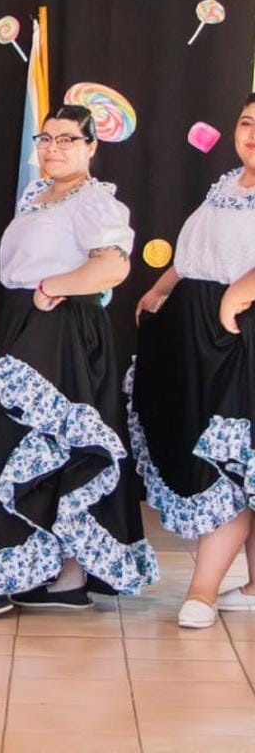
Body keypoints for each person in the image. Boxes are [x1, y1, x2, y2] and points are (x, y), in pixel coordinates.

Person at [0, 104, 157, 622]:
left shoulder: (95, 200)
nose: (53, 148)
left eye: (67, 139)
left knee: (13, 442)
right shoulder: (38, 195)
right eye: (46, 138)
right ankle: (66, 580)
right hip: (28, 318)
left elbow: (114, 264)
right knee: (41, 447)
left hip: (58, 326)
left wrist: (56, 285)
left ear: (91, 146)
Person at [128, 94, 255, 628]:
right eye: (247, 122)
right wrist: (162, 287)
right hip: (198, 326)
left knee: (230, 458)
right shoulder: (226, 185)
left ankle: (203, 589)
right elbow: (194, 252)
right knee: (228, 454)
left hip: (239, 329)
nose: (252, 134)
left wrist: (240, 293)